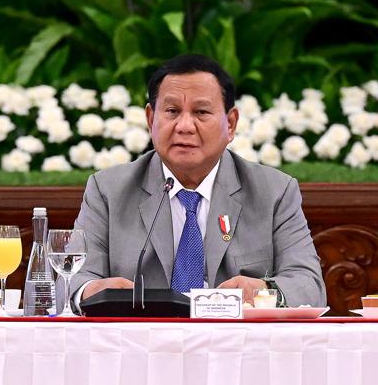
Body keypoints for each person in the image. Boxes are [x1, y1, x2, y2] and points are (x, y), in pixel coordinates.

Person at [70, 54, 326, 307]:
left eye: (201, 112)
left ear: (231, 123)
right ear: (151, 119)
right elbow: (69, 280)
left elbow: (309, 285)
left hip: (238, 343)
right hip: (140, 341)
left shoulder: (274, 192)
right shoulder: (108, 190)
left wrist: (265, 291)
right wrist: (93, 289)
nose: (185, 126)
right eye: (172, 111)